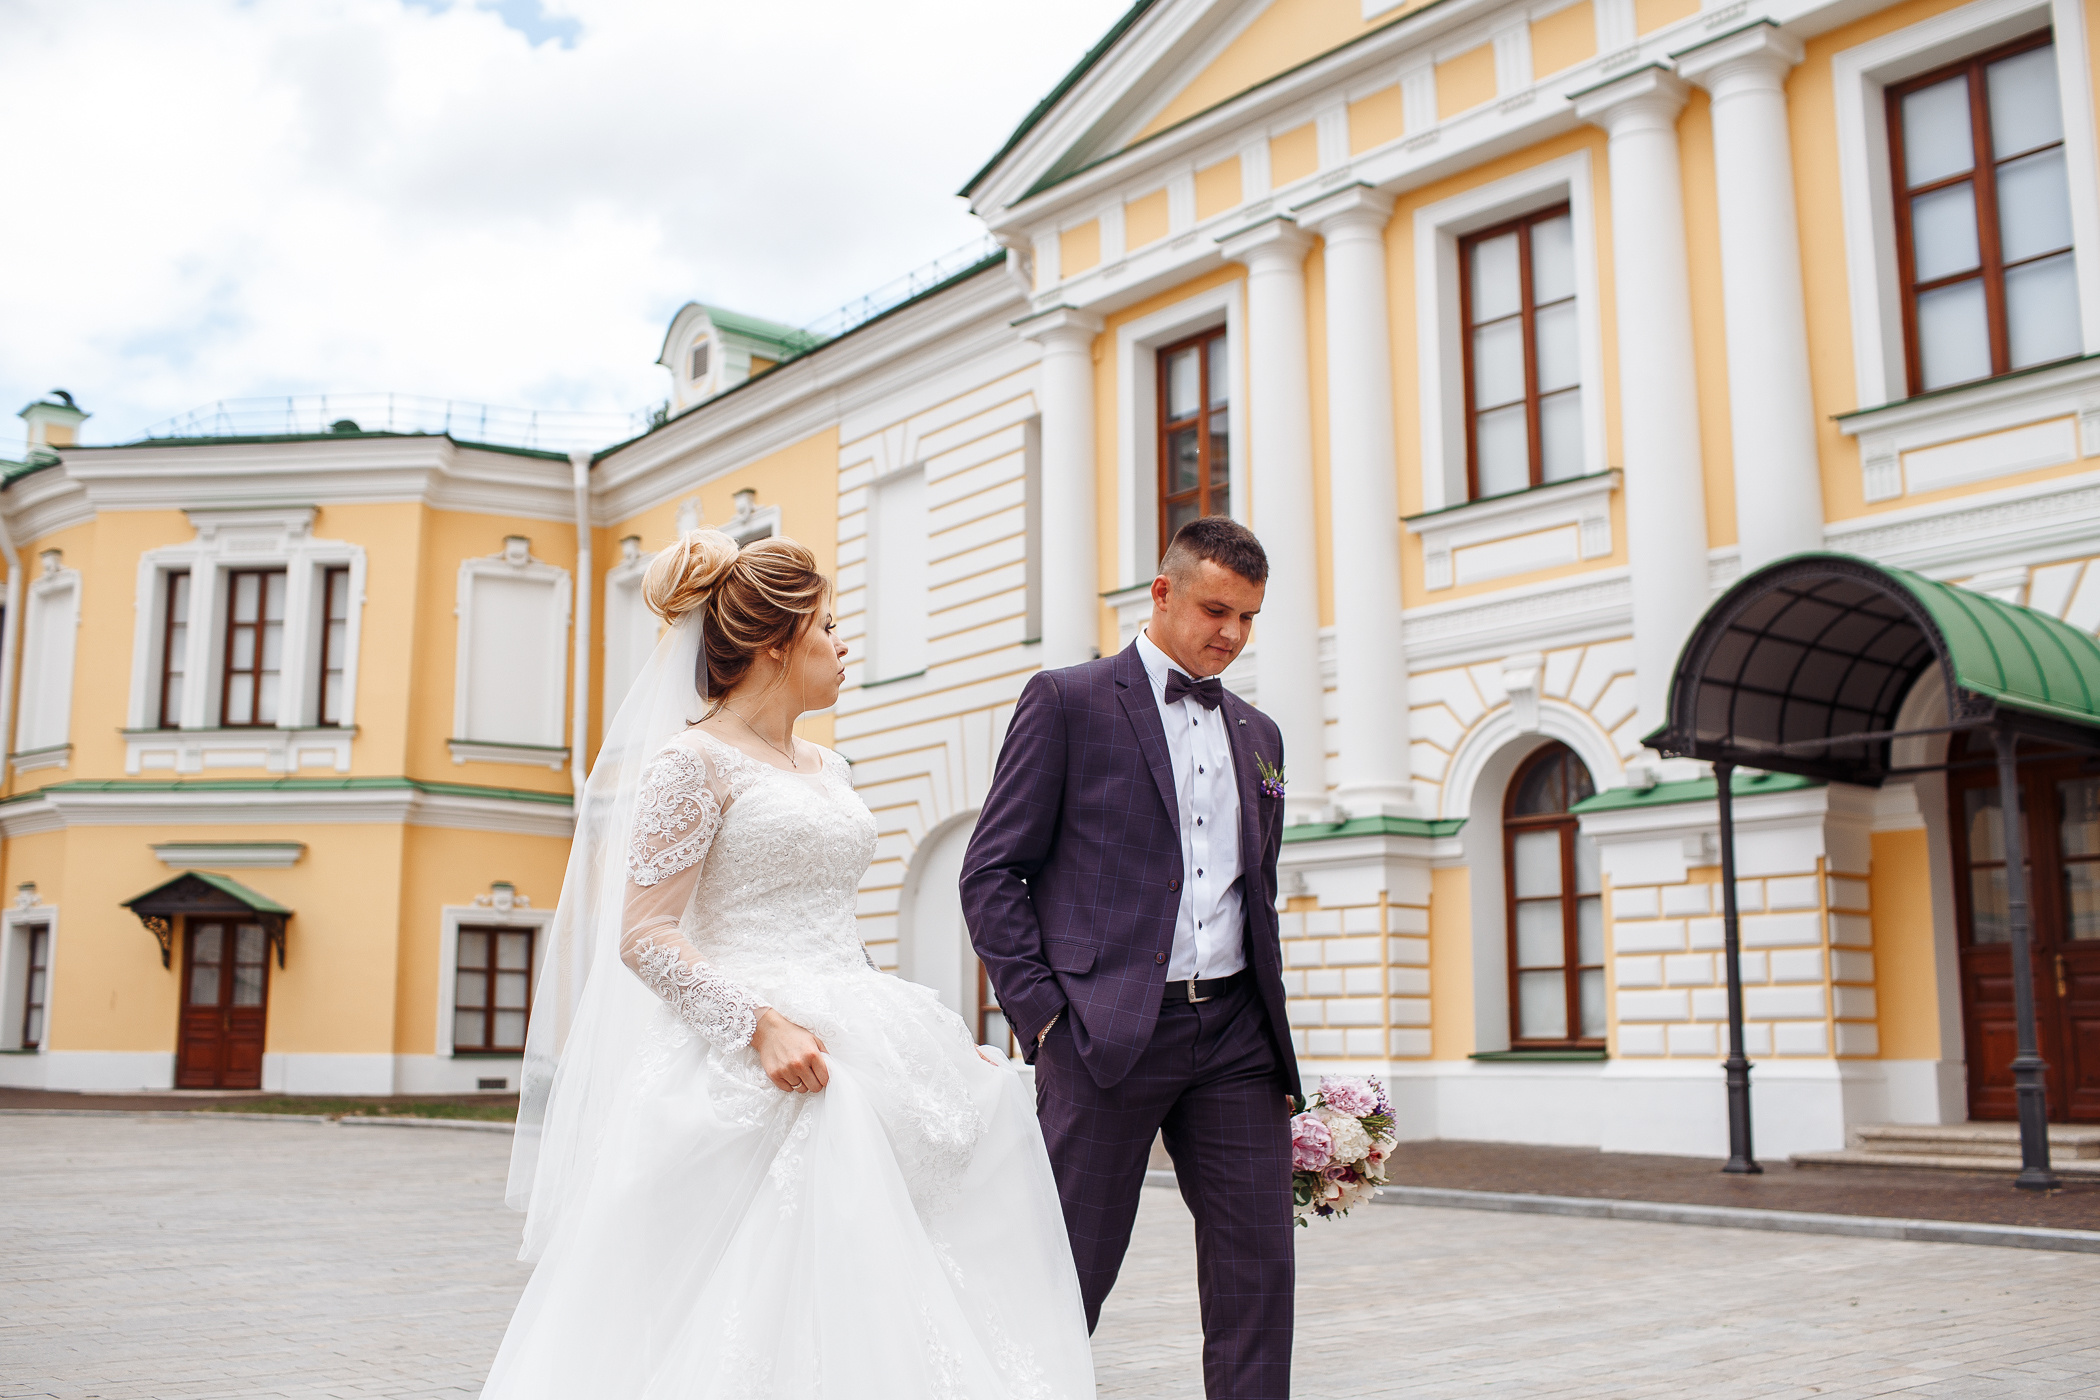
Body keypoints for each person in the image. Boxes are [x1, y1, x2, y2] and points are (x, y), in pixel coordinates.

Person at [485, 530, 1093, 1399]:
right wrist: (760, 1027)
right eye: (827, 627)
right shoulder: (690, 763)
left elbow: (831, 925)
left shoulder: (825, 763)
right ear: (775, 646)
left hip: (850, 1012)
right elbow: (645, 934)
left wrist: (927, 1044)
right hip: (753, 1048)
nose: (843, 646)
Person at [962, 516, 1298, 1400]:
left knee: (1259, 1275)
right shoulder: (1068, 701)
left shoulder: (1260, 734)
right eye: (1216, 609)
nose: (1230, 633)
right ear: (1162, 593)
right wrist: (1044, 1019)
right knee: (1065, 1276)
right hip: (1102, 1036)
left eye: (1248, 618)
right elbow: (993, 872)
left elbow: (1250, 892)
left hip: (1236, 1037)